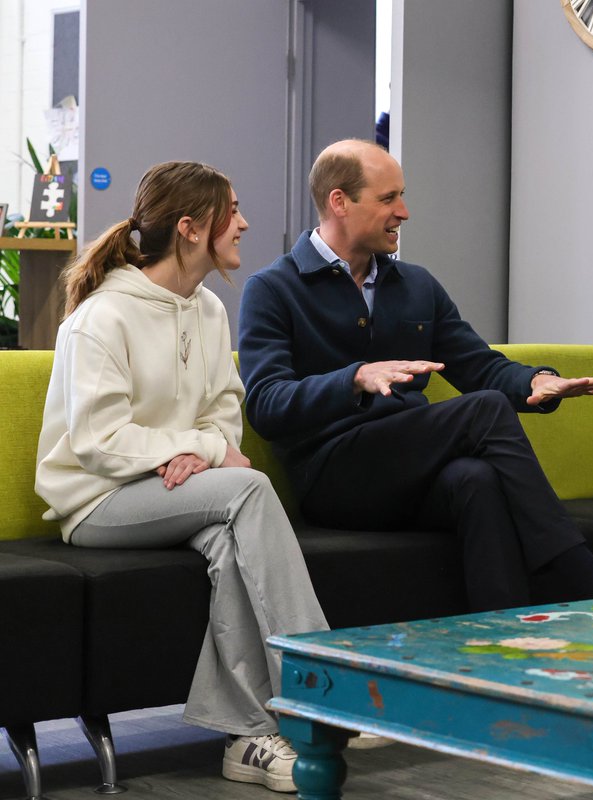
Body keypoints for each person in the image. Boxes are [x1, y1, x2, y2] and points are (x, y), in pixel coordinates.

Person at [237, 139, 593, 613]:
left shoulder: (416, 285)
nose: (404, 212)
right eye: (388, 198)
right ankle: (580, 573)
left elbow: (478, 365)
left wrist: (535, 381)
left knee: (475, 479)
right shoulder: (272, 288)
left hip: (411, 468)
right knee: (484, 411)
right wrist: (354, 378)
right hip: (335, 477)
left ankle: (502, 639)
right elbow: (267, 404)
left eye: (402, 195)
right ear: (339, 201)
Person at [35, 161, 328, 793]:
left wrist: (203, 450)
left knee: (229, 540)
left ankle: (249, 736)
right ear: (192, 228)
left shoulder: (210, 310)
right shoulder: (102, 317)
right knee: (249, 489)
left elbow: (225, 410)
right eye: (233, 212)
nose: (245, 223)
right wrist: (203, 449)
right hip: (97, 501)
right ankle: (327, 687)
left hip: (172, 491)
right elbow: (97, 443)